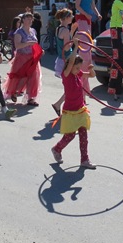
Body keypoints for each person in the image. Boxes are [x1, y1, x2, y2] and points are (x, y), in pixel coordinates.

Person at [50, 38, 96, 169]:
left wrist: (92, 70)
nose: (78, 70)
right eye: (76, 68)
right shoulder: (66, 75)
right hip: (70, 111)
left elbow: (91, 75)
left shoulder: (77, 74)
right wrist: (75, 47)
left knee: (83, 136)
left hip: (81, 110)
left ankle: (84, 159)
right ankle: (57, 148)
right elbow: (71, 62)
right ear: (70, 67)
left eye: (79, 68)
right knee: (69, 136)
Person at [3, 12, 42, 106]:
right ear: (23, 20)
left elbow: (35, 43)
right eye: (28, 18)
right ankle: (15, 92)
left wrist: (40, 50)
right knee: (22, 77)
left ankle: (31, 98)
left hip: (32, 58)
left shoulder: (33, 31)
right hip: (22, 58)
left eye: (31, 19)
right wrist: (28, 43)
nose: (30, 21)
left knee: (34, 77)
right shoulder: (19, 32)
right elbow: (17, 45)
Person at [74, 0, 101, 94]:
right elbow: (77, 6)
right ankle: (83, 61)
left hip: (88, 18)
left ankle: (87, 60)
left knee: (88, 40)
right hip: (82, 18)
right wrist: (85, 14)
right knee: (85, 40)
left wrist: (98, 14)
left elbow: (93, 6)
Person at [51, 8, 76, 116]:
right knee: (71, 86)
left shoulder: (59, 28)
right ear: (66, 18)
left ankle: (59, 104)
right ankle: (63, 106)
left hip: (62, 59)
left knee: (71, 85)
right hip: (67, 59)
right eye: (71, 16)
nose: (73, 17)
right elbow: (67, 47)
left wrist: (72, 32)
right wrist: (75, 42)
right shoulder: (65, 30)